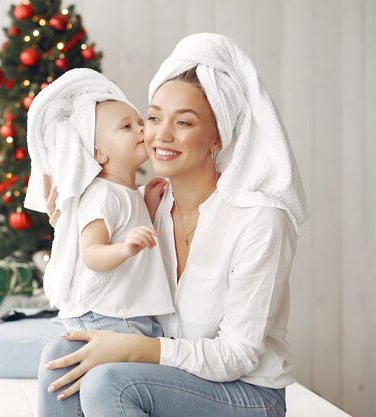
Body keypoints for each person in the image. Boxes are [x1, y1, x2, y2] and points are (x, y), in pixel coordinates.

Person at [37, 33, 309, 417]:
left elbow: (239, 355)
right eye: (152, 118)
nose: (160, 134)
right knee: (61, 354)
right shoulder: (151, 205)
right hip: (171, 375)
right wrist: (69, 226)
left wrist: (135, 349)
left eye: (183, 122)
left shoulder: (261, 220)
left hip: (248, 395)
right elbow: (103, 274)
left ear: (218, 137)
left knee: (109, 382)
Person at [24, 69, 174, 345]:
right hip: (107, 317)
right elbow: (92, 253)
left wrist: (148, 207)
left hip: (127, 313)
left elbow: (125, 226)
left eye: (140, 122)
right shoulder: (101, 195)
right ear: (98, 154)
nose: (142, 129)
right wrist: (126, 248)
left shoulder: (126, 193)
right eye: (126, 127)